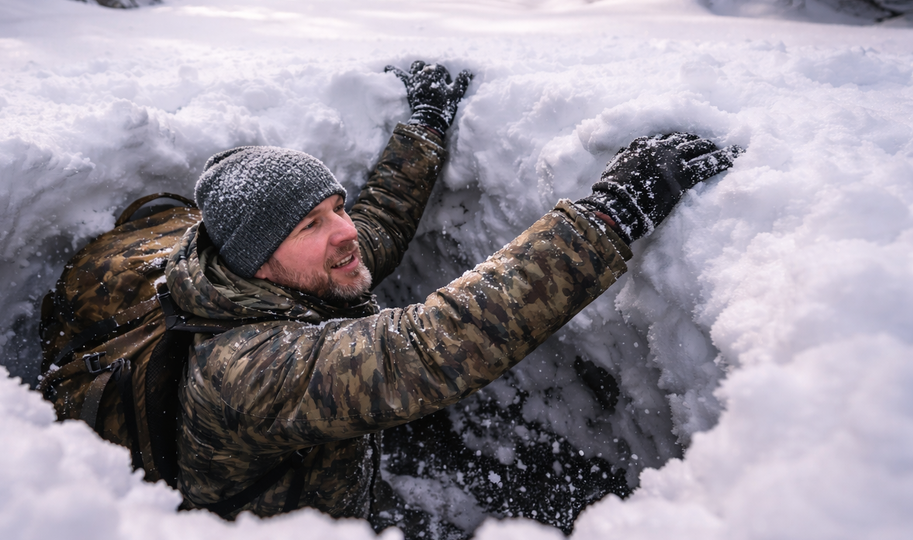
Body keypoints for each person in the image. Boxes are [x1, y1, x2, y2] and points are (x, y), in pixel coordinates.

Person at [165, 60, 740, 519]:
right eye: (310, 225)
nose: (344, 232)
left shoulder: (273, 272)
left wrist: (426, 125)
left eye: (335, 207)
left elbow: (378, 225)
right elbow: (424, 348)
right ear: (259, 261)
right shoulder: (245, 369)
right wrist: (606, 219)